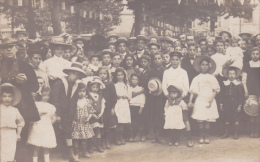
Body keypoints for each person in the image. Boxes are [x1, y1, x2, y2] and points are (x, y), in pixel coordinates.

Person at [1, 38, 40, 162]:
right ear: (1, 50)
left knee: (21, 137)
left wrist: (26, 81)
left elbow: (36, 86)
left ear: (16, 49)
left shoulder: (25, 65)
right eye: (5, 47)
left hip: (22, 107)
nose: (8, 49)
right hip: (3, 107)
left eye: (11, 46)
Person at [50, 62, 87, 162]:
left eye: (78, 75)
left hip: (68, 113)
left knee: (67, 132)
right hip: (57, 112)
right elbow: (54, 99)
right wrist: (57, 114)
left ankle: (70, 154)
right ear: (69, 73)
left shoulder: (75, 85)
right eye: (74, 74)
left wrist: (74, 117)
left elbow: (74, 102)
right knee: (54, 131)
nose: (75, 77)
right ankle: (50, 154)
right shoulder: (60, 82)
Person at [162, 51, 193, 147]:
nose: (175, 62)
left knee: (185, 118)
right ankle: (173, 138)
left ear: (180, 61)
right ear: (170, 60)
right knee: (171, 118)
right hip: (170, 99)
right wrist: (168, 97)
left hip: (181, 98)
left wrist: (180, 98)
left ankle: (189, 138)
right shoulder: (166, 72)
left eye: (177, 60)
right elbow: (164, 86)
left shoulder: (183, 72)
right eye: (173, 60)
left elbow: (186, 87)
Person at [189, 56, 220, 144]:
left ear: (209, 66)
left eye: (206, 65)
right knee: (201, 118)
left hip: (210, 99)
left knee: (208, 119)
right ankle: (201, 136)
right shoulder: (196, 78)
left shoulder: (212, 77)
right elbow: (193, 90)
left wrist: (211, 99)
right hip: (200, 99)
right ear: (199, 66)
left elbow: (216, 89)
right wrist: (190, 101)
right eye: (203, 65)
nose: (204, 66)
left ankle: (206, 135)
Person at [27, 86, 57, 162]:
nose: (46, 97)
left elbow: (52, 117)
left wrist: (53, 119)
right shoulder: (36, 104)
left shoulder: (51, 106)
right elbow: (33, 115)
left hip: (46, 127)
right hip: (38, 126)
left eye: (48, 95)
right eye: (44, 95)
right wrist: (40, 114)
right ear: (40, 95)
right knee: (36, 146)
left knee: (46, 146)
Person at [0, 83, 25, 162]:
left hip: (11, 133)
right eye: (5, 96)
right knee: (2, 152)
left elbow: (20, 122)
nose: (7, 99)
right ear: (1, 97)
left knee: (11, 151)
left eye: (9, 96)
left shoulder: (15, 110)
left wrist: (18, 134)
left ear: (13, 98)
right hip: (1, 132)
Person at [71, 82, 95, 158]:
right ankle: (76, 153)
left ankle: (84, 152)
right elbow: (72, 112)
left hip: (84, 123)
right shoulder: (75, 101)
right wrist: (73, 120)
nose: (82, 93)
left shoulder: (87, 101)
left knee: (84, 139)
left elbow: (91, 111)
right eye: (80, 91)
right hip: (77, 123)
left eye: (83, 91)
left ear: (86, 92)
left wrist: (88, 118)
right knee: (76, 139)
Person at [220, 66, 243, 139]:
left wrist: (240, 105)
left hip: (235, 103)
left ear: (236, 75)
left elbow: (241, 96)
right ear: (227, 75)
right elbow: (222, 94)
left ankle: (236, 133)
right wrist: (221, 104)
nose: (231, 75)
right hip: (227, 103)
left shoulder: (238, 84)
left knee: (236, 118)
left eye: (233, 74)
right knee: (227, 117)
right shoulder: (225, 83)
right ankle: (226, 132)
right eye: (230, 74)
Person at [242, 47, 260, 138]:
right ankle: (252, 130)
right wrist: (245, 90)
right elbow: (244, 79)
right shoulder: (246, 65)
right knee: (251, 109)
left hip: (259, 90)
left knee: (258, 112)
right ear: (250, 55)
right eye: (253, 54)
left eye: (257, 53)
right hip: (250, 89)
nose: (255, 55)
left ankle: (257, 131)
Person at [98, 67, 117, 149]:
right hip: (99, 107)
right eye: (101, 73)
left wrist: (112, 107)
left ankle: (107, 141)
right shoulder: (97, 83)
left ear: (107, 74)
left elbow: (114, 97)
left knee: (108, 125)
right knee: (101, 125)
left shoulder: (110, 84)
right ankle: (101, 142)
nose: (102, 75)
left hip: (108, 107)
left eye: (104, 73)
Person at [87, 77, 106, 153]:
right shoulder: (88, 96)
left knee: (98, 131)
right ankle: (91, 146)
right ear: (90, 87)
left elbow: (103, 105)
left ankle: (99, 145)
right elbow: (87, 106)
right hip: (91, 116)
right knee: (91, 131)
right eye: (93, 87)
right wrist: (92, 114)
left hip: (99, 116)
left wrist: (101, 113)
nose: (95, 89)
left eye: (97, 87)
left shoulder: (100, 96)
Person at [113, 67, 132, 145]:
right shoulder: (114, 85)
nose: (120, 77)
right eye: (118, 75)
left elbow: (130, 96)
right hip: (118, 103)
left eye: (121, 75)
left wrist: (126, 96)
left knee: (123, 122)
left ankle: (121, 137)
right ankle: (117, 138)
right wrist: (117, 96)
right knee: (118, 121)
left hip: (124, 104)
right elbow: (113, 95)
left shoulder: (127, 85)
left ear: (124, 76)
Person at [129, 74, 146, 142]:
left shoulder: (140, 88)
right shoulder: (129, 88)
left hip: (138, 107)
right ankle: (132, 136)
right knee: (132, 122)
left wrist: (141, 107)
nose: (134, 81)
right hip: (131, 106)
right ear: (130, 80)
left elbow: (142, 98)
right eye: (133, 79)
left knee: (140, 122)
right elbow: (130, 96)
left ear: (138, 81)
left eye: (136, 79)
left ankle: (141, 135)